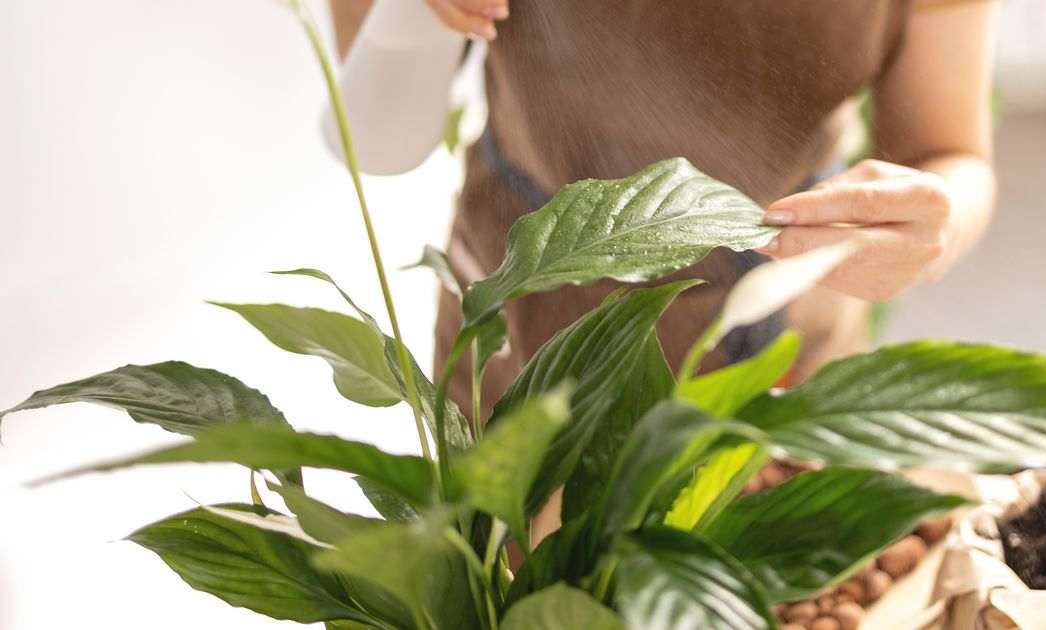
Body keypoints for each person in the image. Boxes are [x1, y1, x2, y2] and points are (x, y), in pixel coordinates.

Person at [332, 0, 998, 418]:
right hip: (527, 330)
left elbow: (949, 152)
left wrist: (936, 223)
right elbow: (372, 113)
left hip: (786, 343)